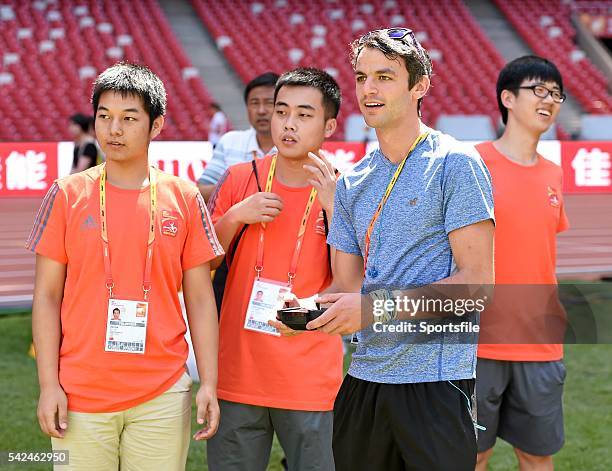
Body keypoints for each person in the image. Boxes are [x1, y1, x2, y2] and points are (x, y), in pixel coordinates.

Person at [308, 28, 495, 470]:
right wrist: (308, 314)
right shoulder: (352, 181)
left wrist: (373, 310)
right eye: (361, 76)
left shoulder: (456, 163)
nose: (369, 89)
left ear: (419, 86)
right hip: (364, 380)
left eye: (385, 77)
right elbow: (347, 286)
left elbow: (477, 286)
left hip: (435, 383)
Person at [27, 62, 223, 470]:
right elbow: (46, 296)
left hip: (162, 392)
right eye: (104, 117)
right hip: (79, 392)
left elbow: (201, 299)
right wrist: (49, 386)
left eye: (129, 119)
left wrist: (210, 382)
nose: (113, 130)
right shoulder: (66, 194)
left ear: (156, 125)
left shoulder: (184, 197)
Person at [206, 67, 343, 471]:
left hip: (309, 377)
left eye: (304, 114)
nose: (288, 123)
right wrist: (234, 217)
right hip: (237, 372)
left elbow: (352, 282)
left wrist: (335, 209)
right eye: (282, 111)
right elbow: (204, 262)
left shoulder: (345, 189)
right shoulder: (238, 179)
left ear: (329, 125)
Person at [474, 56, 569, 471]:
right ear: (507, 98)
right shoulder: (471, 165)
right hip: (477, 340)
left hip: (539, 341)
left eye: (556, 94)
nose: (549, 100)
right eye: (539, 90)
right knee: (471, 454)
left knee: (536, 455)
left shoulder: (554, 174)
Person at [198, 72, 279, 201]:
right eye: (254, 103)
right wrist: (242, 188)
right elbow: (202, 191)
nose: (261, 110)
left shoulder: (296, 147)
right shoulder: (230, 142)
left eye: (269, 103)